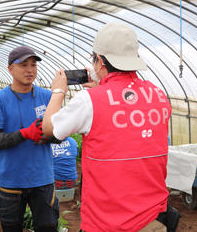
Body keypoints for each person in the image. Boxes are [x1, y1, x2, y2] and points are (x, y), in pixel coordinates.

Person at [42, 23, 175, 231]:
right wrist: (103, 88)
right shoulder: (159, 95)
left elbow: (50, 128)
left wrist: (58, 91)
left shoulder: (89, 101)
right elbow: (128, 114)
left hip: (107, 223)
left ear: (100, 61)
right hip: (153, 219)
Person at [0, 46, 59, 232]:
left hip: (43, 179)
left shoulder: (48, 97)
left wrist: (48, 135)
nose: (30, 70)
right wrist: (24, 134)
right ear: (10, 69)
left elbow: (59, 136)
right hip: (10, 181)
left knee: (48, 227)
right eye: (23, 65)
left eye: (33, 65)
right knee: (11, 227)